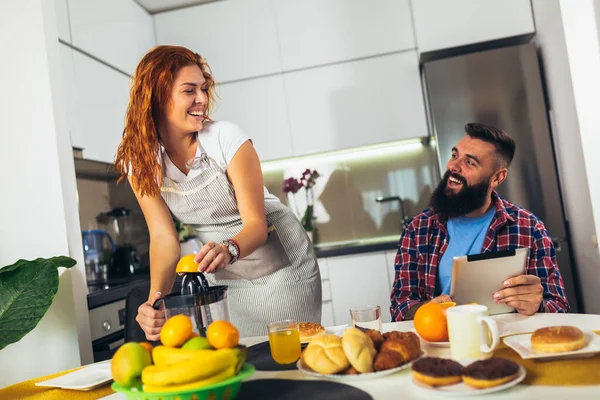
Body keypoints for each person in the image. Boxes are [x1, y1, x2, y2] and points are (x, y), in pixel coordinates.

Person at [114, 45, 321, 338]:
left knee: (285, 355)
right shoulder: (140, 162)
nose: (202, 99)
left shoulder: (225, 138)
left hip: (280, 264)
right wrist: (154, 301)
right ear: (158, 97)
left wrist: (229, 248)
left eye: (203, 88)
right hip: (221, 271)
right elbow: (163, 237)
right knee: (237, 353)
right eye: (189, 91)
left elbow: (255, 226)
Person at [390, 123, 569, 321]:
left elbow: (559, 306)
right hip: (438, 340)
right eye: (455, 155)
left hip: (506, 338)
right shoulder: (418, 229)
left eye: (470, 163)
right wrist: (424, 309)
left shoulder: (529, 227)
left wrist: (538, 304)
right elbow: (400, 307)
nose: (452, 166)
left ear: (497, 178)